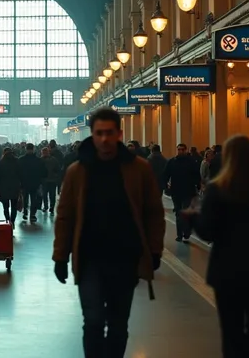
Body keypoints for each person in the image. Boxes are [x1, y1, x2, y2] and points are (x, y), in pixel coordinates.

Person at [53, 107, 165, 358]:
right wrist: (60, 256)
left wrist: (155, 249)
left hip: (125, 259)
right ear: (91, 135)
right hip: (90, 259)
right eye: (99, 133)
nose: (104, 139)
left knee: (117, 323)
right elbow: (65, 216)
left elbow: (153, 212)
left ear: (119, 134)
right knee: (92, 321)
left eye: (109, 133)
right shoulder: (77, 171)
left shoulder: (139, 169)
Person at [186, 135, 249, 358]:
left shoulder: (217, 190)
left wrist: (192, 217)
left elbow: (208, 231)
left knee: (232, 332)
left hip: (227, 271)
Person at [163, 143, 200, 242]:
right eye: (179, 149)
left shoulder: (191, 162)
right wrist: (166, 185)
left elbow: (197, 175)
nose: (180, 151)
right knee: (178, 213)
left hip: (188, 191)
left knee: (184, 212)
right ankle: (180, 234)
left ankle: (186, 232)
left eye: (182, 149)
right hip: (176, 191)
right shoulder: (172, 162)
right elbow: (166, 174)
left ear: (186, 150)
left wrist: (197, 185)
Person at [18, 143, 46, 222]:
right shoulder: (38, 160)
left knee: (25, 198)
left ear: (25, 149)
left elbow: (18, 172)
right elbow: (44, 172)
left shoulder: (21, 159)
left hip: (24, 183)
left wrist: (20, 181)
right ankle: (33, 214)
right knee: (34, 199)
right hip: (35, 183)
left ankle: (25, 212)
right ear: (34, 149)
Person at [0, 148, 21, 228]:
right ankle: (12, 221)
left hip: (3, 187)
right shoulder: (17, 161)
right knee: (14, 206)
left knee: (5, 207)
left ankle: (7, 221)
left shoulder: (1, 162)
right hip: (15, 187)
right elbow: (21, 174)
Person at [40, 146, 61, 214]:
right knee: (51, 195)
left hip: (45, 180)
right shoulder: (54, 159)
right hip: (51, 180)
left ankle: (47, 207)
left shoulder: (40, 160)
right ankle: (51, 207)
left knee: (45, 194)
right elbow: (58, 169)